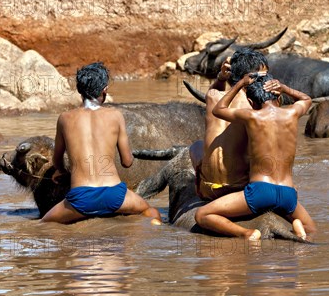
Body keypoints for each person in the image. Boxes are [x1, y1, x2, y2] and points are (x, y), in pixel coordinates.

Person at [194, 73, 317, 241]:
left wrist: (239, 85)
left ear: (251, 103)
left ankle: (246, 233)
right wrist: (285, 87)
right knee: (310, 227)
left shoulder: (252, 116)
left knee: (202, 214)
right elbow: (307, 99)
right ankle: (297, 226)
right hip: (288, 194)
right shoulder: (292, 113)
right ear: (278, 96)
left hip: (261, 192)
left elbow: (218, 110)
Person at [41, 62, 162, 224]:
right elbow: (127, 162)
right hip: (115, 196)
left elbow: (57, 160)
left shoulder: (64, 118)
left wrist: (61, 171)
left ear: (79, 90)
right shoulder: (116, 115)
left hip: (81, 198)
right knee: (150, 211)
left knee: (44, 224)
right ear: (104, 89)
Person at [189, 49, 269, 201]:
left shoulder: (213, 97)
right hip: (238, 188)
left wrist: (221, 78)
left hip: (207, 187)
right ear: (253, 78)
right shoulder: (255, 105)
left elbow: (212, 92)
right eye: (264, 76)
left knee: (196, 146)